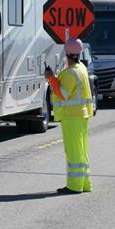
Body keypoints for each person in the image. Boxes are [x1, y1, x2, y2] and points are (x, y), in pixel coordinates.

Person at [45, 38, 94, 194]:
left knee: (73, 151)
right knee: (81, 150)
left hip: (72, 116)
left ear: (66, 53)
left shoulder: (70, 73)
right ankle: (85, 183)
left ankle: (74, 185)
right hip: (82, 114)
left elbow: (63, 94)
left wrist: (51, 78)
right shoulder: (82, 68)